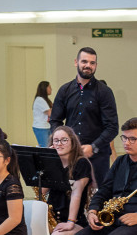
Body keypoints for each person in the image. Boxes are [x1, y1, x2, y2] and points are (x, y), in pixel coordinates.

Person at [8, 127, 93, 235]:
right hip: (52, 218)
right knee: (19, 232)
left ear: (72, 142)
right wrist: (36, 168)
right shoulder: (51, 163)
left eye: (63, 140)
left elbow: (77, 194)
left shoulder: (81, 164)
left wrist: (70, 222)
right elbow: (42, 191)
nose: (59, 144)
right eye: (55, 140)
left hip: (75, 222)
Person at [71, 117, 137, 235]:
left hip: (134, 222)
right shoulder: (120, 162)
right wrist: (93, 211)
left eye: (132, 139)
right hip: (116, 218)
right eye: (124, 138)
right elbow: (104, 190)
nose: (126, 143)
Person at [49, 47, 118, 183]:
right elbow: (55, 121)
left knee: (96, 197)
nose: (88, 66)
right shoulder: (65, 90)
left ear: (96, 65)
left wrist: (93, 147)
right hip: (70, 155)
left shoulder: (104, 92)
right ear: (76, 62)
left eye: (92, 63)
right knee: (70, 195)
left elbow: (112, 127)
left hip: (97, 156)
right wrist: (59, 141)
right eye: (84, 61)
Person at [33, 81, 54, 147]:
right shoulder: (40, 100)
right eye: (49, 87)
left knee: (50, 146)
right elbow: (50, 113)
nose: (51, 89)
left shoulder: (46, 100)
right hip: (41, 127)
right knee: (45, 147)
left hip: (47, 126)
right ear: (44, 89)